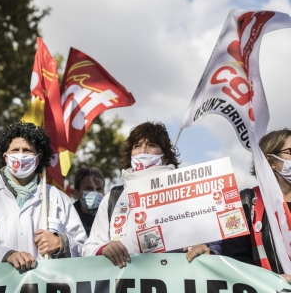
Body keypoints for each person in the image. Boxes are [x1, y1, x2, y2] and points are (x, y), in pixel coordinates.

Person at [82, 121, 221, 266]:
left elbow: (215, 246)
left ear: (165, 157)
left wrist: (207, 251)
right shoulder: (114, 197)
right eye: (137, 146)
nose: (143, 151)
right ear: (130, 156)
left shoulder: (189, 192)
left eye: (151, 145)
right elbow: (89, 248)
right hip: (125, 283)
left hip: (179, 280)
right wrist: (103, 249)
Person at [0, 122, 87, 269]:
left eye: (27, 150)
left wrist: (61, 243)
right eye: (15, 150)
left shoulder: (58, 197)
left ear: (38, 158)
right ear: (5, 157)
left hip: (43, 288)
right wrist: (7, 255)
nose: (21, 155)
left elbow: (84, 248)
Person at [222, 129, 291, 282]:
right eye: (290, 151)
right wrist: (273, 282)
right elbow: (233, 260)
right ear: (271, 162)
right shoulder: (245, 202)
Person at [72, 166, 105, 236]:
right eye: (89, 189)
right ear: (77, 193)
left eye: (99, 189)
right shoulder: (68, 220)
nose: (95, 193)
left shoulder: (110, 218)